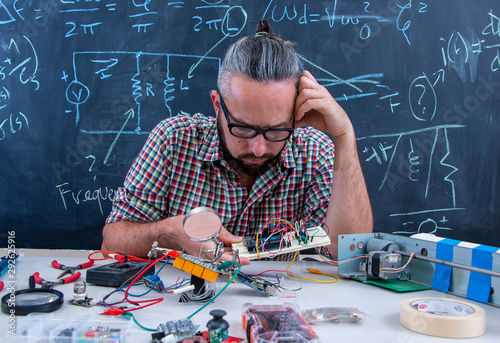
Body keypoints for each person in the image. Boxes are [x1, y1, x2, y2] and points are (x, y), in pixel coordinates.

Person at [102, 20, 373, 263]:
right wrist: (170, 233)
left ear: (295, 117)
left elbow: (348, 252)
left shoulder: (314, 151)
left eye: (276, 131)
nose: (258, 148)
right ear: (217, 106)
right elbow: (112, 242)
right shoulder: (172, 140)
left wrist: (344, 137)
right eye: (243, 128)